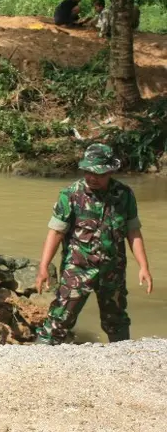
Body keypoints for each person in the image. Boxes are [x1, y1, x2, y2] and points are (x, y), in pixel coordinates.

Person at [35, 144, 153, 345]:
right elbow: (56, 232)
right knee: (60, 319)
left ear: (110, 171)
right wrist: (43, 266)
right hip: (77, 268)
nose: (92, 178)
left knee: (116, 320)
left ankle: (122, 357)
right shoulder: (70, 195)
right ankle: (39, 360)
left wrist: (144, 266)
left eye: (98, 174)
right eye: (88, 172)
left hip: (112, 270)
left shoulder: (124, 195)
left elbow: (133, 231)